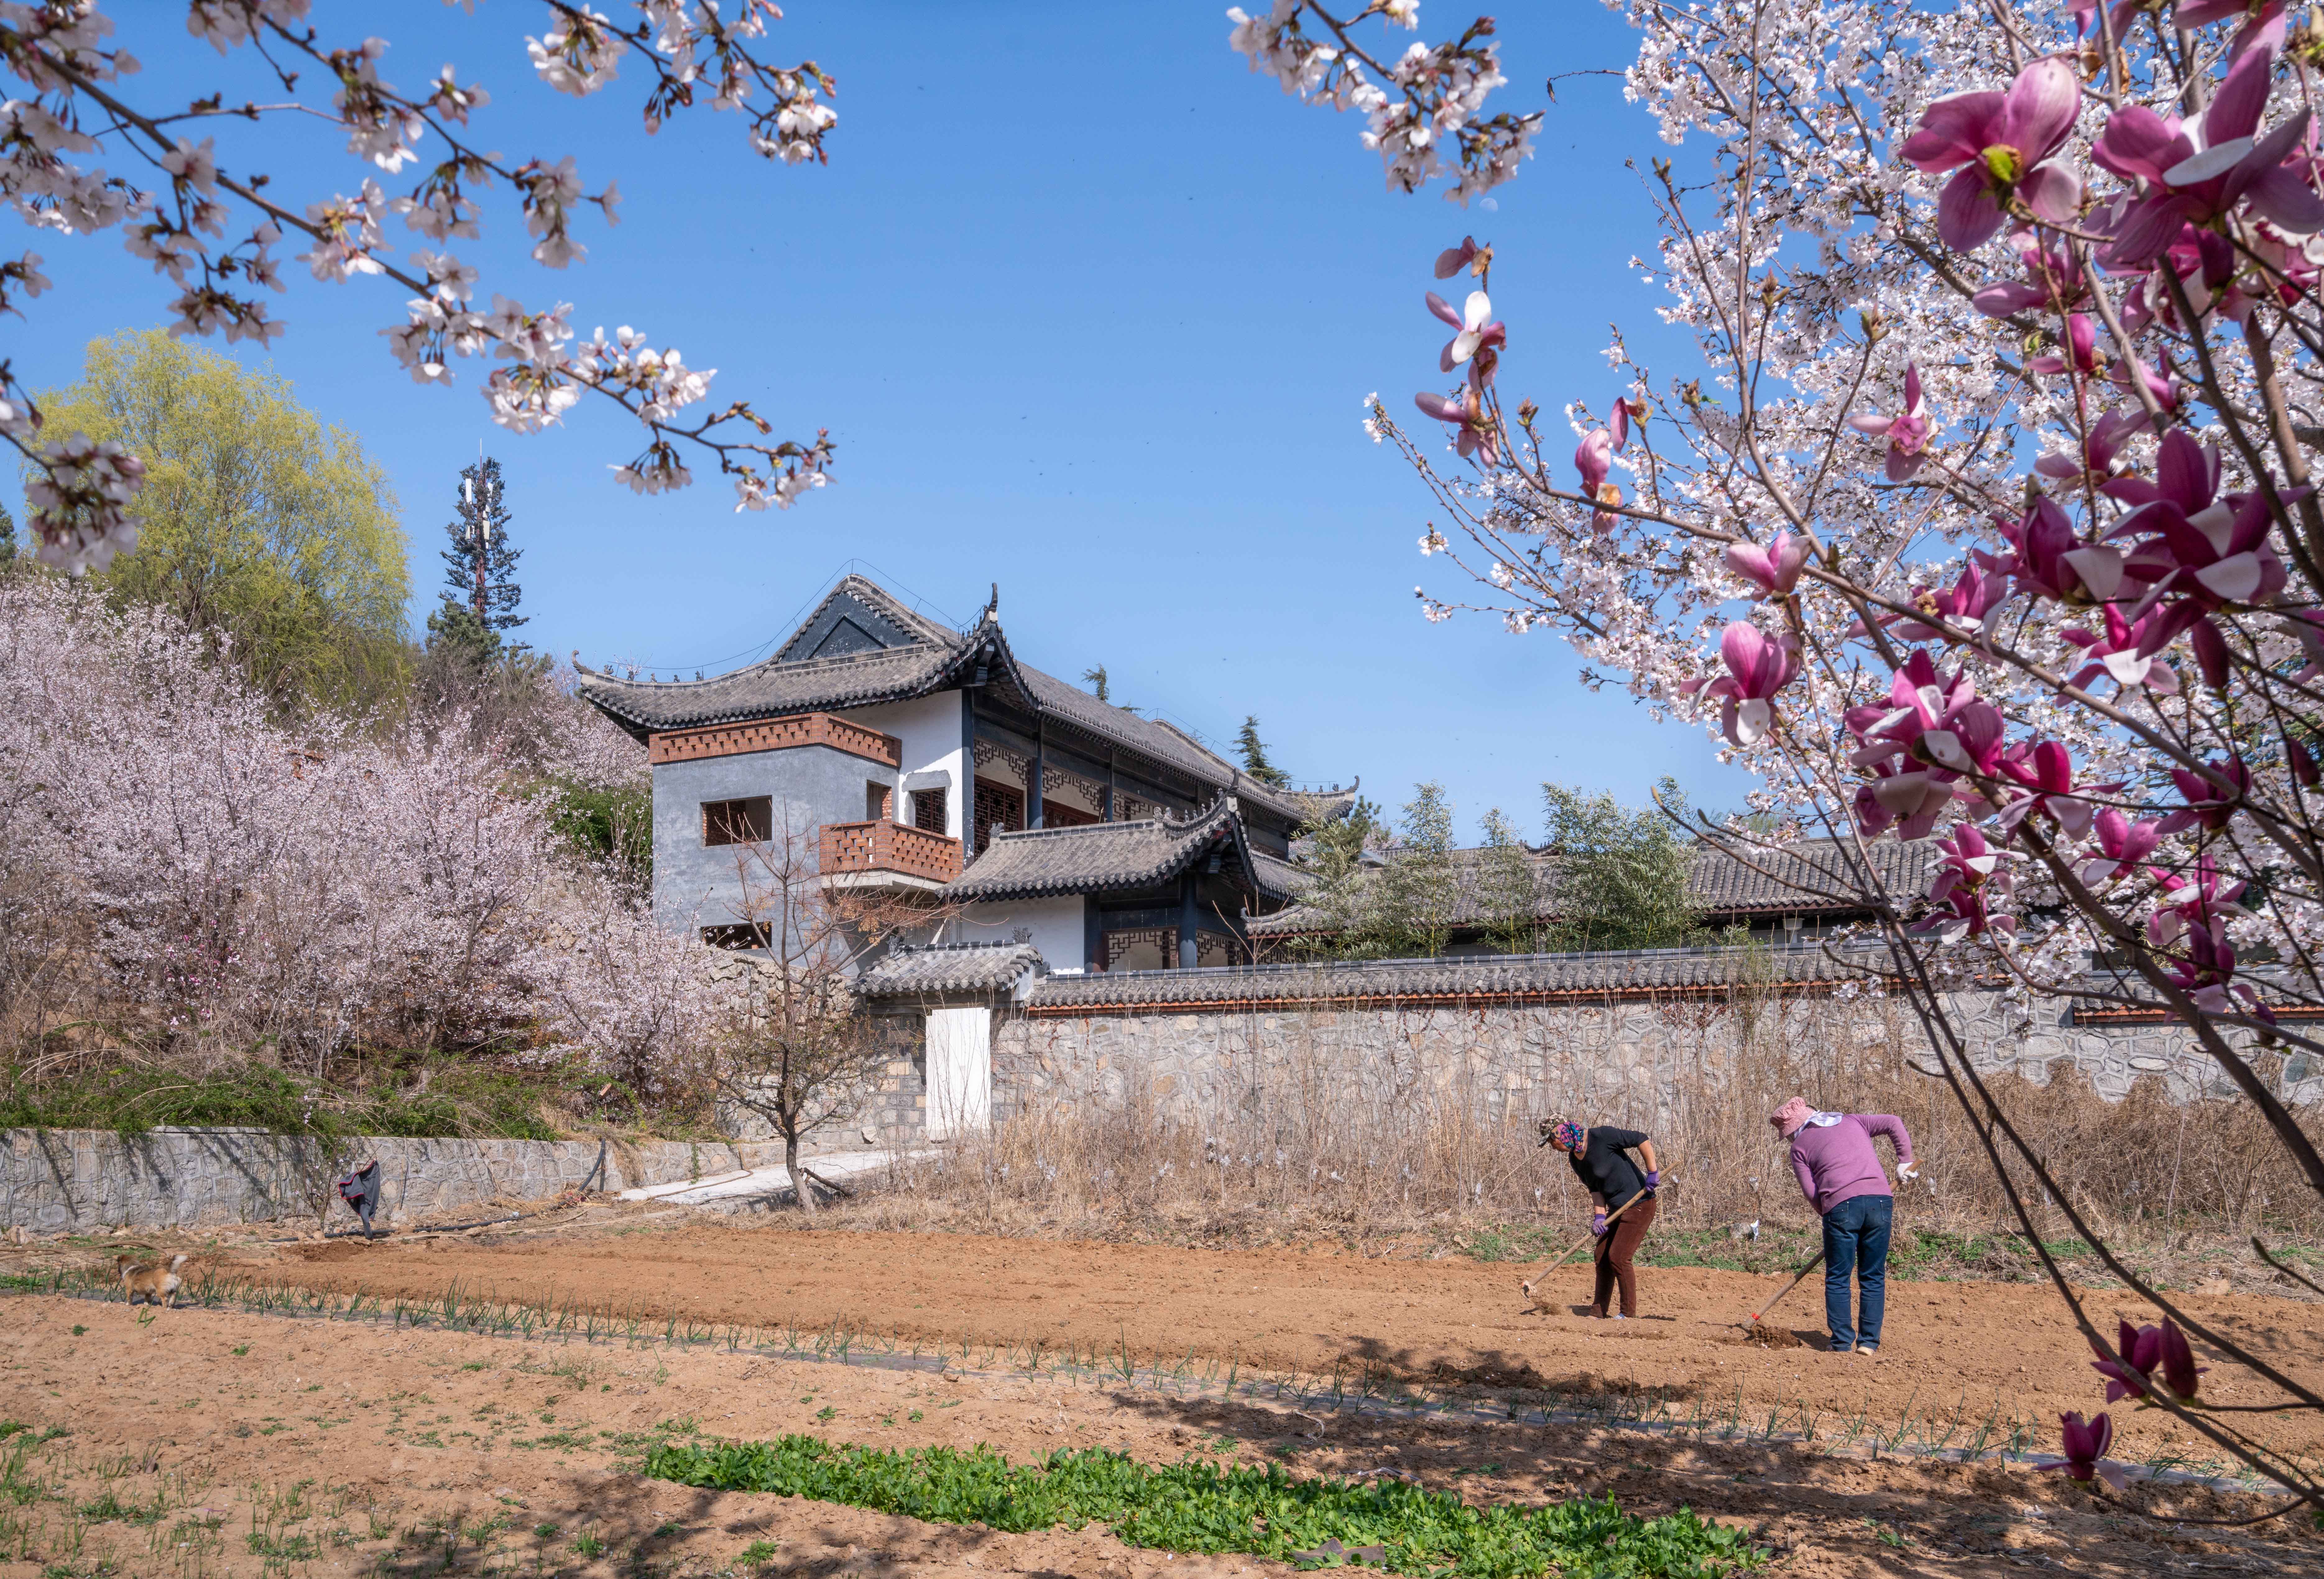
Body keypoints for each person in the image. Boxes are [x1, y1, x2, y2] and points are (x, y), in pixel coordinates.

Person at [1769, 1097, 1918, 1355]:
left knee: (1838, 1277)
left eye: (1790, 1134)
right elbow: (1894, 1122)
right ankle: (1869, 1343)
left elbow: (1812, 1193)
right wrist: (1904, 1160)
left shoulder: (1799, 1148)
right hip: (1881, 1201)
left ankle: (1841, 1343)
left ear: (1796, 1129)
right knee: (1873, 1276)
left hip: (1840, 1207)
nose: (1792, 1139)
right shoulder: (1852, 1120)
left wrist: (1830, 1217)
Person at [1540, 1118, 1661, 1320]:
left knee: (1619, 1256)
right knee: (1602, 1254)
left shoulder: (1602, 1136)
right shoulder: (1575, 1158)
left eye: (1552, 1140)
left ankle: (1628, 1313)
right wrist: (1599, 1216)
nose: (1553, 1147)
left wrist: (1652, 1171)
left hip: (1640, 1204)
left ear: (1562, 1132)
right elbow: (1594, 1188)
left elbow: (1641, 1139)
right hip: (1616, 1209)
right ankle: (1598, 1311)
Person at [336, 1159, 383, 1238]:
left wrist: (374, 1165)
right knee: (365, 1212)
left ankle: (369, 1235)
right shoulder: (361, 1182)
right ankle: (369, 1235)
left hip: (366, 1196)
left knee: (365, 1212)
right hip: (364, 1196)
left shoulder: (371, 1179)